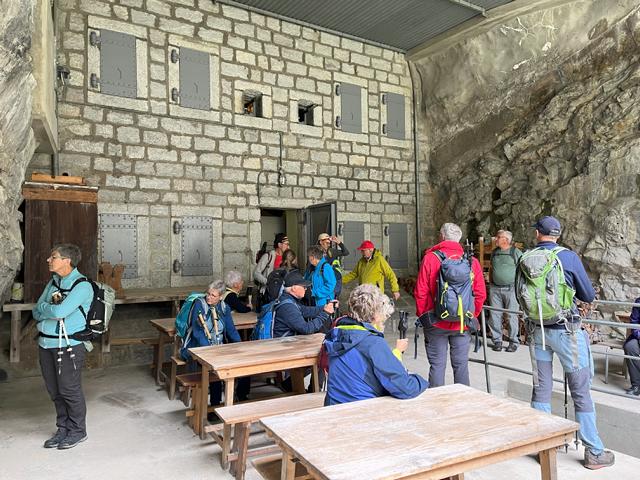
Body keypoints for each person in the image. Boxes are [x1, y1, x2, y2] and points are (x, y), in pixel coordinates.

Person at [517, 216, 614, 469]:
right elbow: (588, 295)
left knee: (541, 388)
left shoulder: (525, 258)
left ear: (538, 234)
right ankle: (594, 452)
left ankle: (543, 447)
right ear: (558, 235)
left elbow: (519, 294)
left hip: (538, 332)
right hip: (567, 332)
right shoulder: (568, 257)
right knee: (580, 390)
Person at [324, 284, 429, 406]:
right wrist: (421, 381)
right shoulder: (372, 343)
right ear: (375, 315)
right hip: (361, 409)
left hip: (333, 404)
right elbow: (404, 388)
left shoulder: (337, 332)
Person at [33, 244, 93, 449]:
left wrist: (47, 309)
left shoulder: (82, 286)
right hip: (45, 343)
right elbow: (36, 311)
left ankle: (78, 431)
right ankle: (63, 429)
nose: (49, 260)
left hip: (69, 346)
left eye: (53, 257)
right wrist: (49, 309)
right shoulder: (53, 282)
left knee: (69, 389)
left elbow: (59, 312)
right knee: (55, 391)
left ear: (67, 261)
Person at [413, 223, 486, 387]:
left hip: (435, 322)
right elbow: (480, 293)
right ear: (459, 239)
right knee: (461, 366)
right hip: (462, 324)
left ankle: (438, 401)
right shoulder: (471, 261)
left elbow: (420, 292)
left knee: (437, 366)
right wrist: (469, 315)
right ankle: (462, 400)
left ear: (442, 236)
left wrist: (426, 317)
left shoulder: (430, 259)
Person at [180, 281, 249, 406]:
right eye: (208, 293)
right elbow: (198, 332)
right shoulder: (199, 305)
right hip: (197, 348)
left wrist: (240, 347)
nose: (209, 297)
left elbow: (231, 330)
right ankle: (215, 404)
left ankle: (241, 398)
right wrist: (210, 351)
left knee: (243, 364)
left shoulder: (224, 308)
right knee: (215, 370)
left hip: (217, 348)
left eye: (213, 295)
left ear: (221, 297)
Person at [488, 230, 522, 352]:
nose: (495, 239)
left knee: (512, 315)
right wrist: (491, 283)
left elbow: (522, 271)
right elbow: (491, 268)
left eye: (498, 237)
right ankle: (497, 340)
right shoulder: (494, 252)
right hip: (495, 288)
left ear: (506, 240)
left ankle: (514, 342)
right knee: (494, 315)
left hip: (511, 289)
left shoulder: (515, 252)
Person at [272, 271, 335, 338]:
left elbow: (305, 310)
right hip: (284, 342)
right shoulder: (288, 307)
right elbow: (306, 329)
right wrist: (325, 314)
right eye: (303, 286)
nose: (306, 289)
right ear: (294, 288)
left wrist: (324, 307)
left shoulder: (288, 299)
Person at [253, 233, 289, 306]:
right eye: (286, 244)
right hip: (268, 293)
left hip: (282, 293)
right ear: (279, 245)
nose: (288, 246)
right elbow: (256, 273)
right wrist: (268, 282)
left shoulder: (287, 257)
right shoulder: (268, 256)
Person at [623, 297, 640, 396]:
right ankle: (636, 385)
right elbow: (634, 322)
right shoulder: (639, 301)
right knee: (630, 347)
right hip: (638, 335)